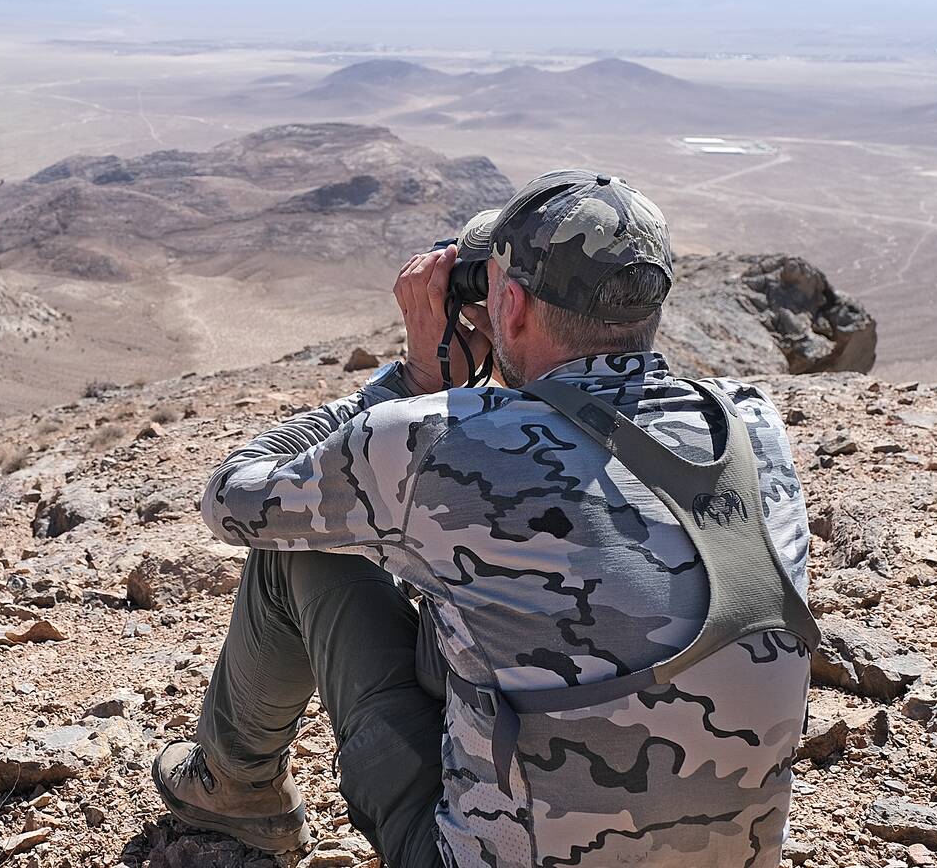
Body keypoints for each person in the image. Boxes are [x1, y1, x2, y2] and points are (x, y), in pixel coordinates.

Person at [152, 170, 817, 868]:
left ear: (515, 304)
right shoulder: (749, 425)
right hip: (726, 856)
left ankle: (234, 790)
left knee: (304, 546)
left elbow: (232, 496)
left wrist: (412, 379)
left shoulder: (438, 440)